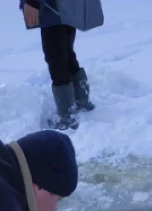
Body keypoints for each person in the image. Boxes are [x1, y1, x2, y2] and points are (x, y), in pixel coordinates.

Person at [21, 0, 105, 131]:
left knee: (56, 57)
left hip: (51, 7)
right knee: (65, 52)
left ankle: (66, 116)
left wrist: (32, 3)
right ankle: (81, 101)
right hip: (65, 6)